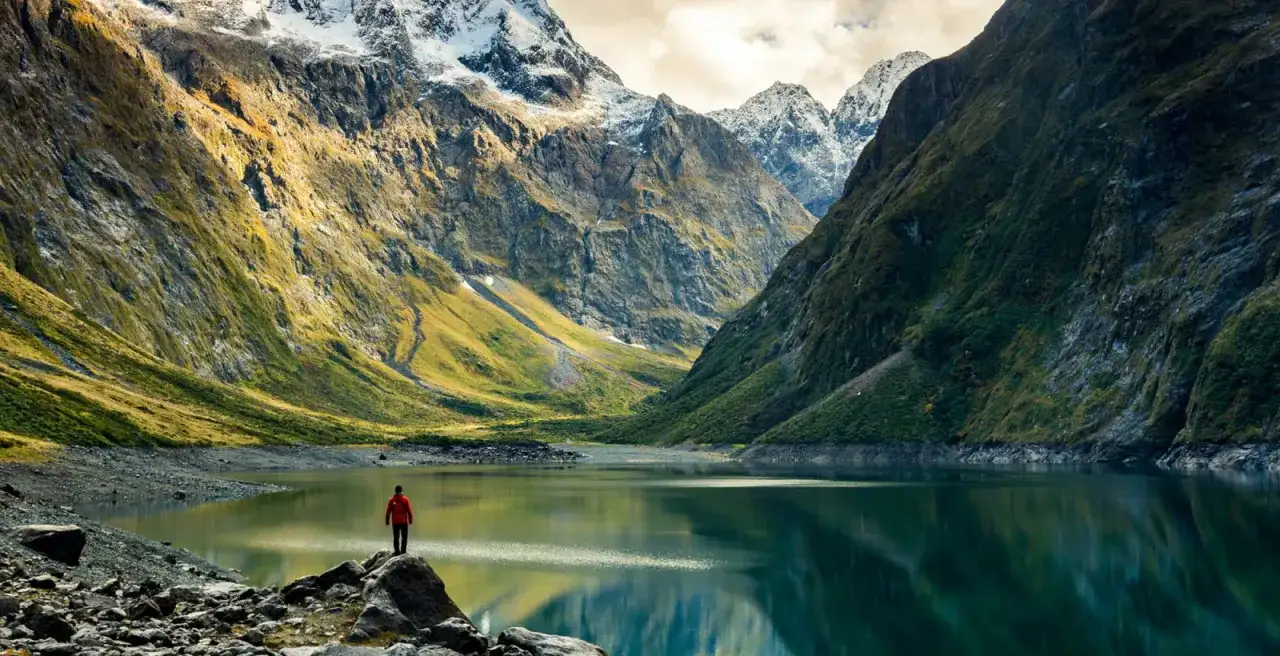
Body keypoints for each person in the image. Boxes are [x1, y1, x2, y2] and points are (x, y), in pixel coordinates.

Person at [385, 485, 414, 555]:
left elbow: (388, 511)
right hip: (403, 521)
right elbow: (409, 510)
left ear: (395, 491)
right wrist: (410, 519)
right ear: (401, 491)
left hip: (395, 522)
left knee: (396, 537)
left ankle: (397, 551)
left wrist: (387, 521)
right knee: (404, 537)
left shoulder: (391, 500)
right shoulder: (405, 499)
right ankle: (403, 551)